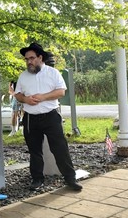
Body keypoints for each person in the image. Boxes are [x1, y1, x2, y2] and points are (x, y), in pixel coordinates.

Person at [14, 43, 82, 191]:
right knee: (34, 151)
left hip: (51, 117)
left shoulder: (53, 73)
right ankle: (37, 179)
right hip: (31, 118)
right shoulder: (23, 76)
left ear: (40, 58)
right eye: (26, 59)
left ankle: (70, 179)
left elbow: (61, 92)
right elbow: (18, 95)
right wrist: (25, 99)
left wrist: (43, 97)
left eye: (32, 58)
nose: (29, 62)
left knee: (60, 148)